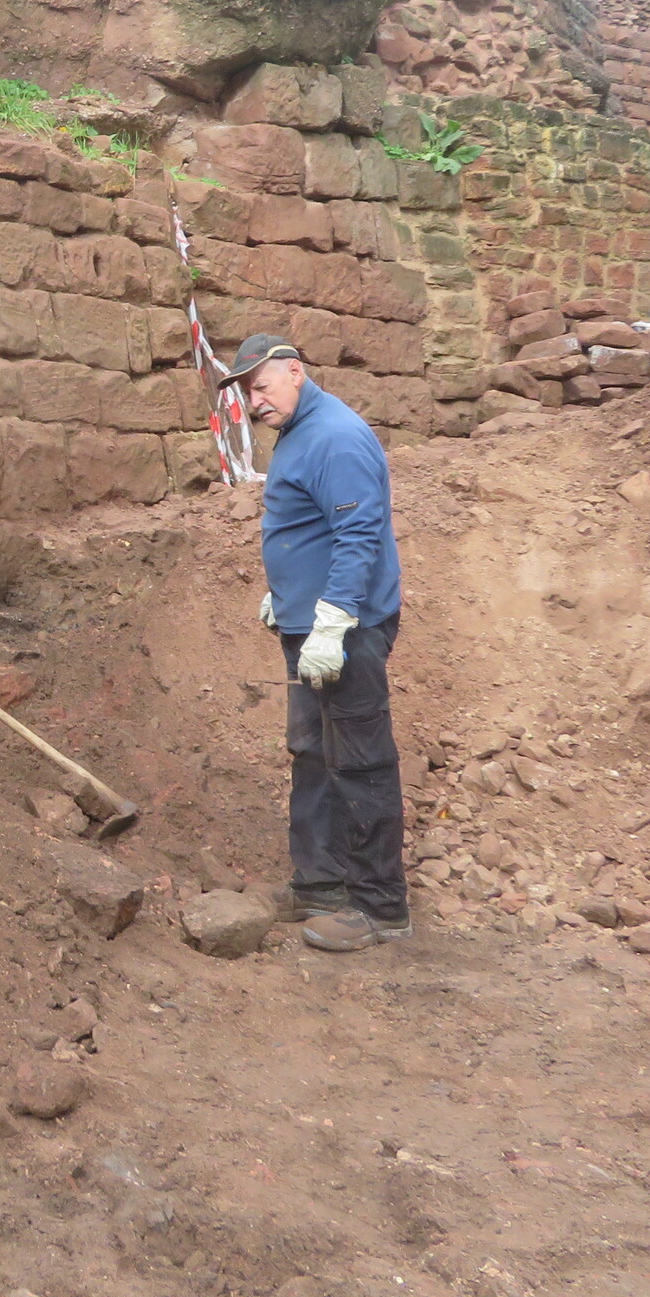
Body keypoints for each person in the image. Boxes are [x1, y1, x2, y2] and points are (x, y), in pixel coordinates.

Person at [217, 333, 410, 951]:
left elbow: (359, 532)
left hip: (346, 632)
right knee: (313, 750)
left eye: (261, 387)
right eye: (248, 394)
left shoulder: (335, 436)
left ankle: (380, 906)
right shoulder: (299, 431)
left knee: (360, 758)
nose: (255, 402)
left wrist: (333, 620)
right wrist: (289, 595)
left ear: (295, 371)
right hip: (310, 626)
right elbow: (310, 528)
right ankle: (321, 883)